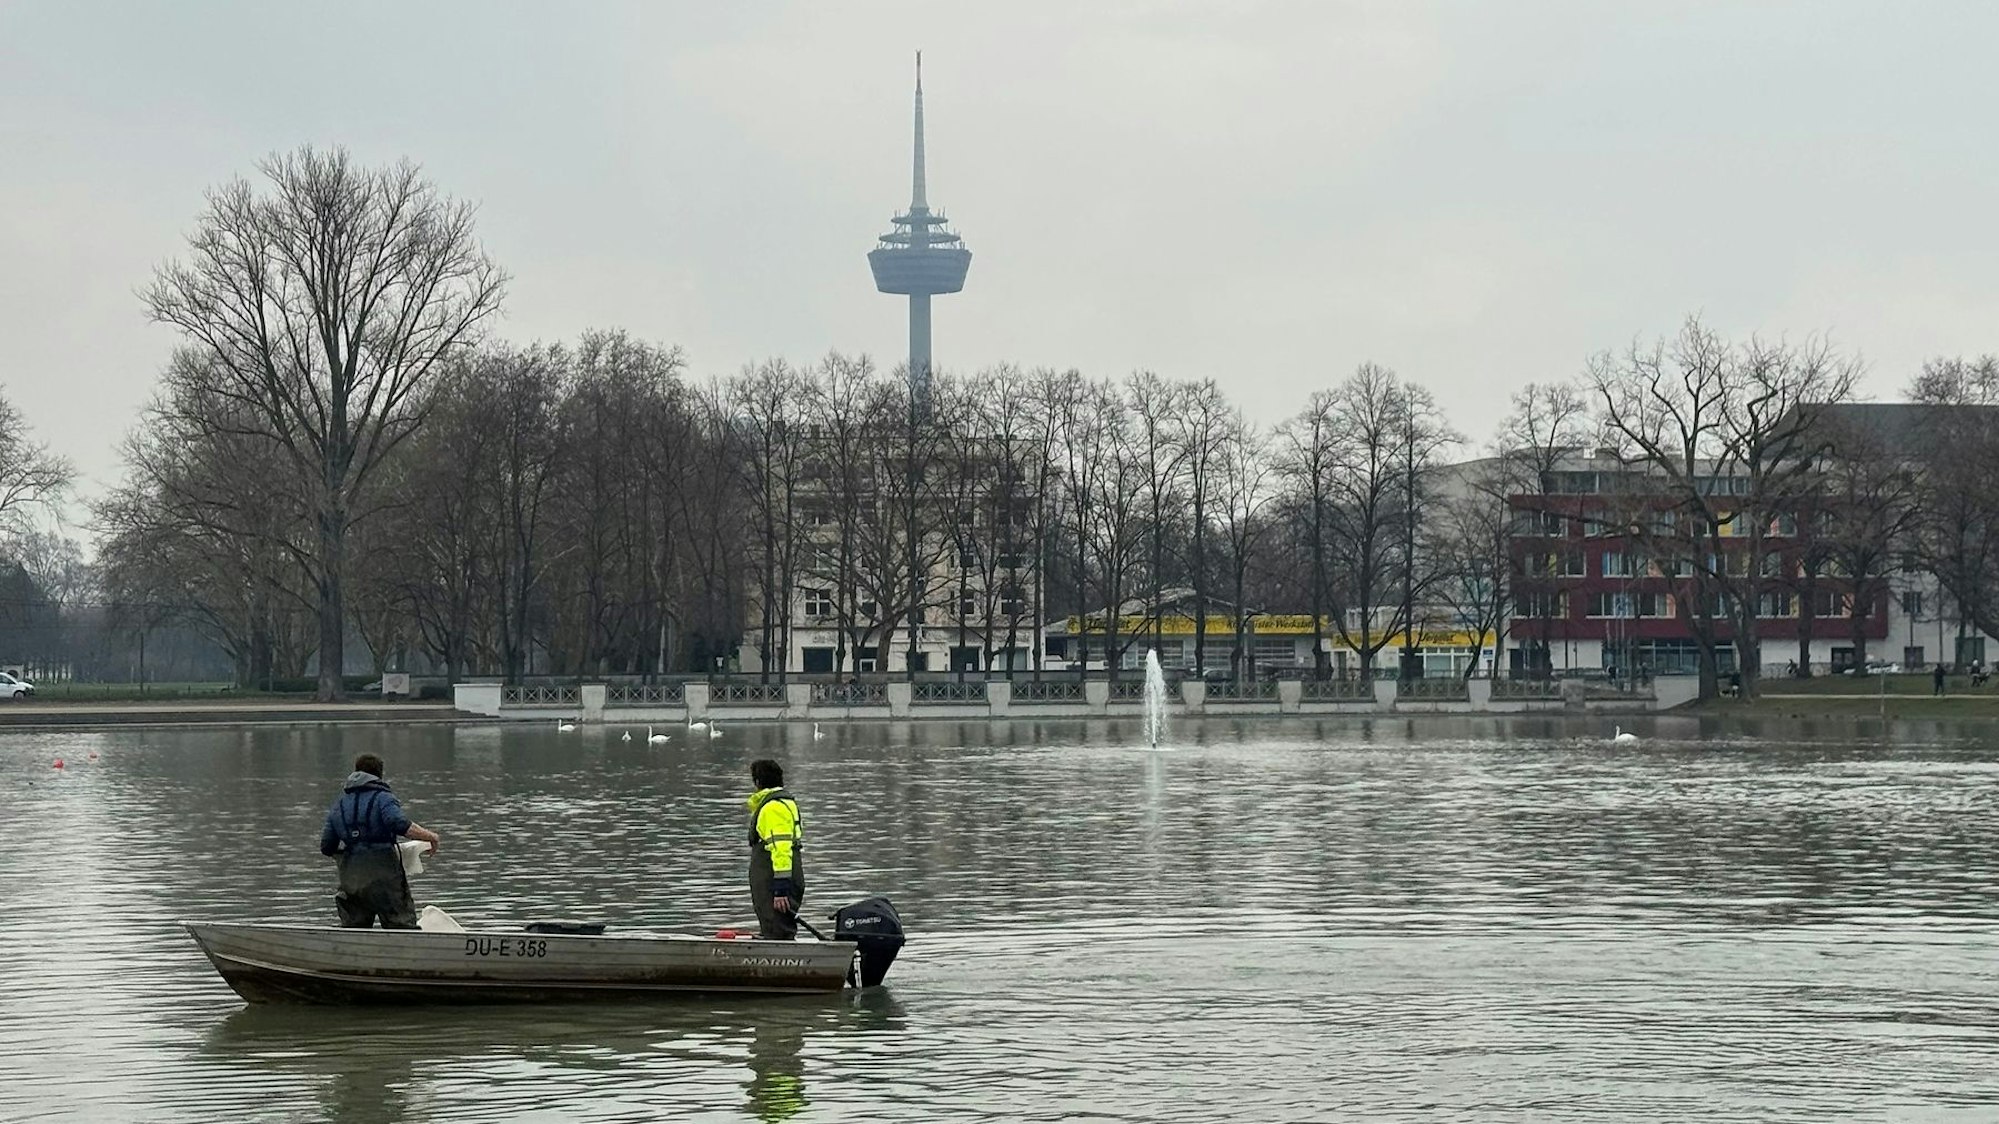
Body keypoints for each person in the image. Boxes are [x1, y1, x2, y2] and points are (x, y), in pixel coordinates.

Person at [318, 753, 440, 929]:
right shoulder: (383, 798)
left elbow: (326, 846)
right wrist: (431, 837)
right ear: (379, 774)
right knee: (400, 924)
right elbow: (398, 823)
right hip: (384, 874)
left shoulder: (339, 804)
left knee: (354, 928)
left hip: (351, 877)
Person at [747, 758, 805, 940]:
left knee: (777, 929)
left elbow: (781, 848)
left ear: (757, 782)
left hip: (775, 878)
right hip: (785, 874)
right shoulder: (786, 803)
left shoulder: (772, 808)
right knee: (776, 927)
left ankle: (781, 965)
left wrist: (781, 890)